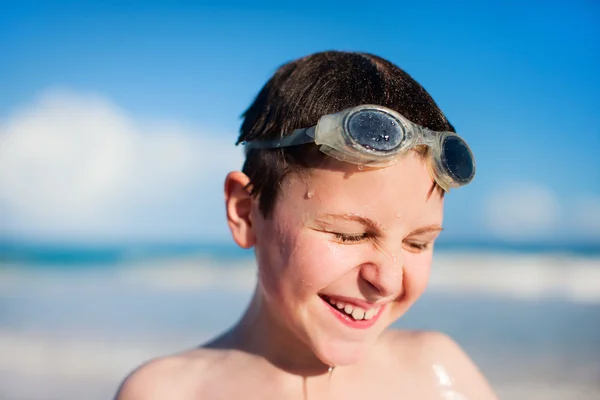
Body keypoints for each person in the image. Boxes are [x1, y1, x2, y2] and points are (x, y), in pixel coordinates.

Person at [115, 51, 497, 399]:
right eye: (350, 234)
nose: (389, 281)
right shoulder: (165, 392)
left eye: (418, 242)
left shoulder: (437, 375)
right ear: (246, 212)